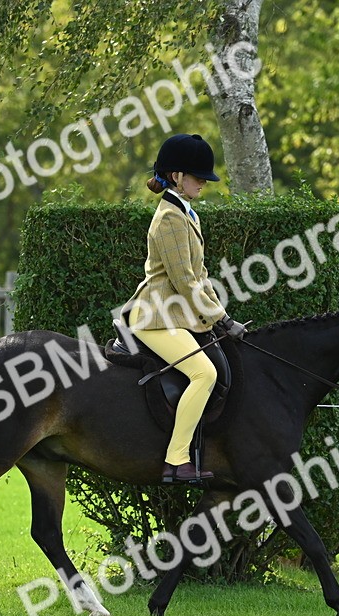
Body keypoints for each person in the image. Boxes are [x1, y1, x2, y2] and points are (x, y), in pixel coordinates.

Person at [123, 133, 246, 483]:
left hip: (175, 314)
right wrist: (220, 318)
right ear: (177, 176)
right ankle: (176, 460)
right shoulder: (169, 219)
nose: (204, 184)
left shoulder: (186, 213)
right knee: (203, 374)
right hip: (155, 317)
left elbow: (201, 276)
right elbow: (183, 281)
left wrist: (221, 315)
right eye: (198, 177)